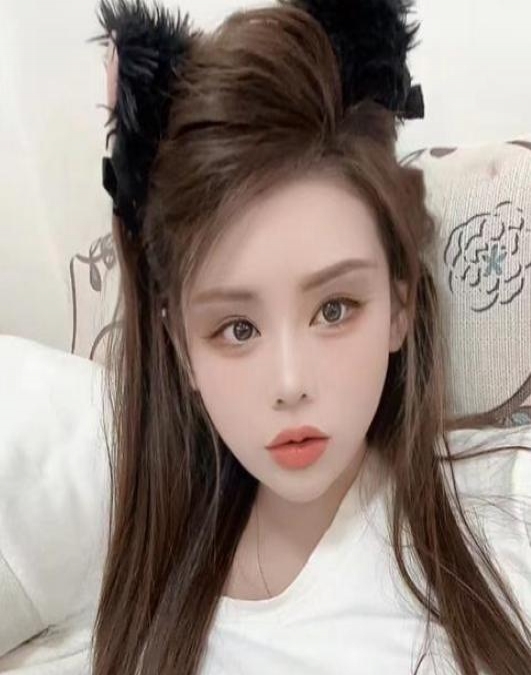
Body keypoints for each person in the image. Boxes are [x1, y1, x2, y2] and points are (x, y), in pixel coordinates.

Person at [90, 1, 531, 673]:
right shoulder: (155, 620)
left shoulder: (512, 508)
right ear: (180, 347)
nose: (291, 383)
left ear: (399, 305)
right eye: (238, 328)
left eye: (334, 308)